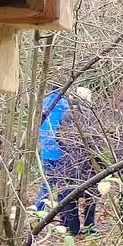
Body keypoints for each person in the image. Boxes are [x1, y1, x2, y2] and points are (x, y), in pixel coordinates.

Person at [37, 93, 96, 237]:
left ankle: (69, 227)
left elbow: (59, 136)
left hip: (61, 158)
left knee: (64, 193)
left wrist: (66, 150)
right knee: (90, 195)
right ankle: (89, 226)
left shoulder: (48, 103)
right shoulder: (91, 117)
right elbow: (97, 142)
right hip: (86, 163)